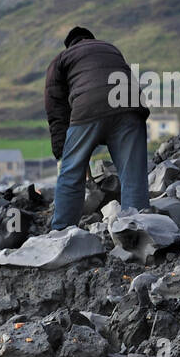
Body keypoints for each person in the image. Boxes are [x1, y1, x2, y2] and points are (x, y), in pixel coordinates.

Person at [44, 26, 150, 231]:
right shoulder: (110, 48)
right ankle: (139, 230)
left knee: (71, 173)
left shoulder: (62, 58)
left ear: (70, 44)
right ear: (90, 39)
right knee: (133, 174)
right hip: (129, 104)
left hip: (89, 106)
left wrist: (62, 154)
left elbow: (55, 108)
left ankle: (62, 232)